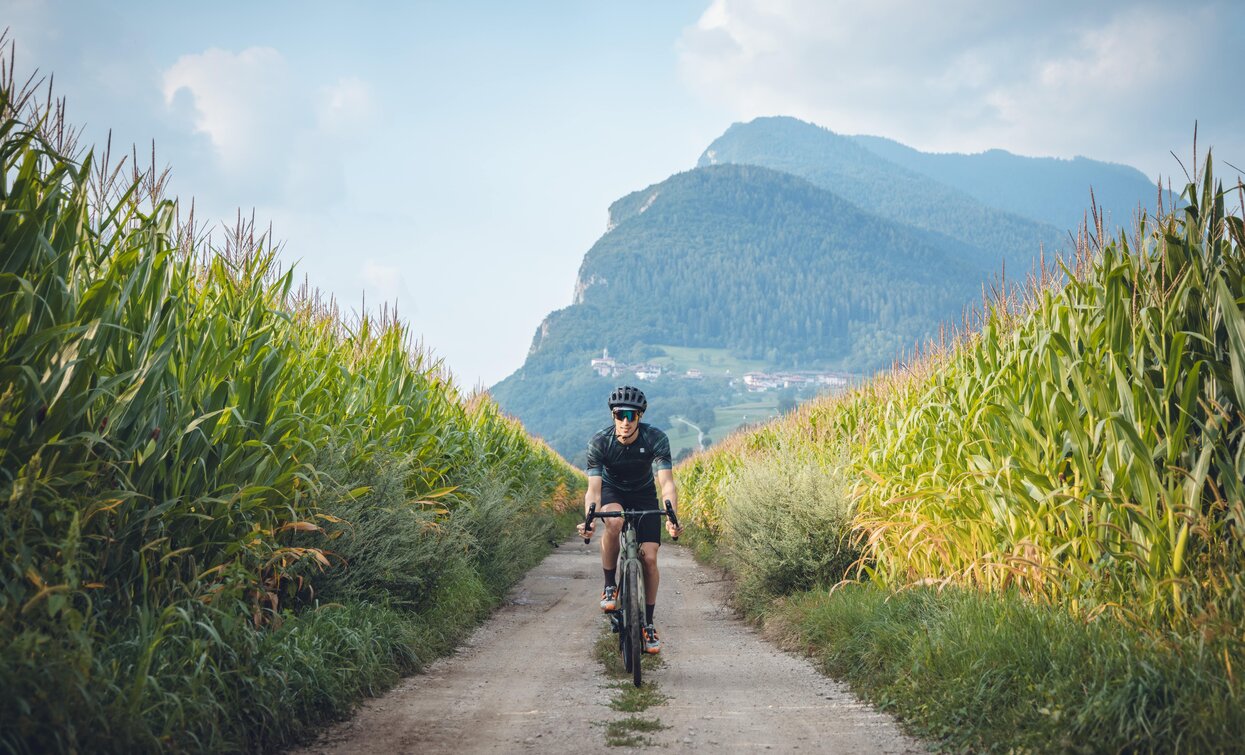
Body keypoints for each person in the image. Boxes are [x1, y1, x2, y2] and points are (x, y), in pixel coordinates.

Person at [576, 385, 682, 654]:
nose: (625, 421)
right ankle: (610, 586)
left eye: (631, 415)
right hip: (614, 491)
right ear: (613, 415)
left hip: (644, 494)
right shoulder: (600, 442)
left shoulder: (656, 439)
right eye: (620, 414)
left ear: (640, 417)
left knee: (649, 558)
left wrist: (672, 515)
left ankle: (647, 623)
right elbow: (594, 490)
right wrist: (589, 520)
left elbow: (667, 483)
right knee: (613, 522)